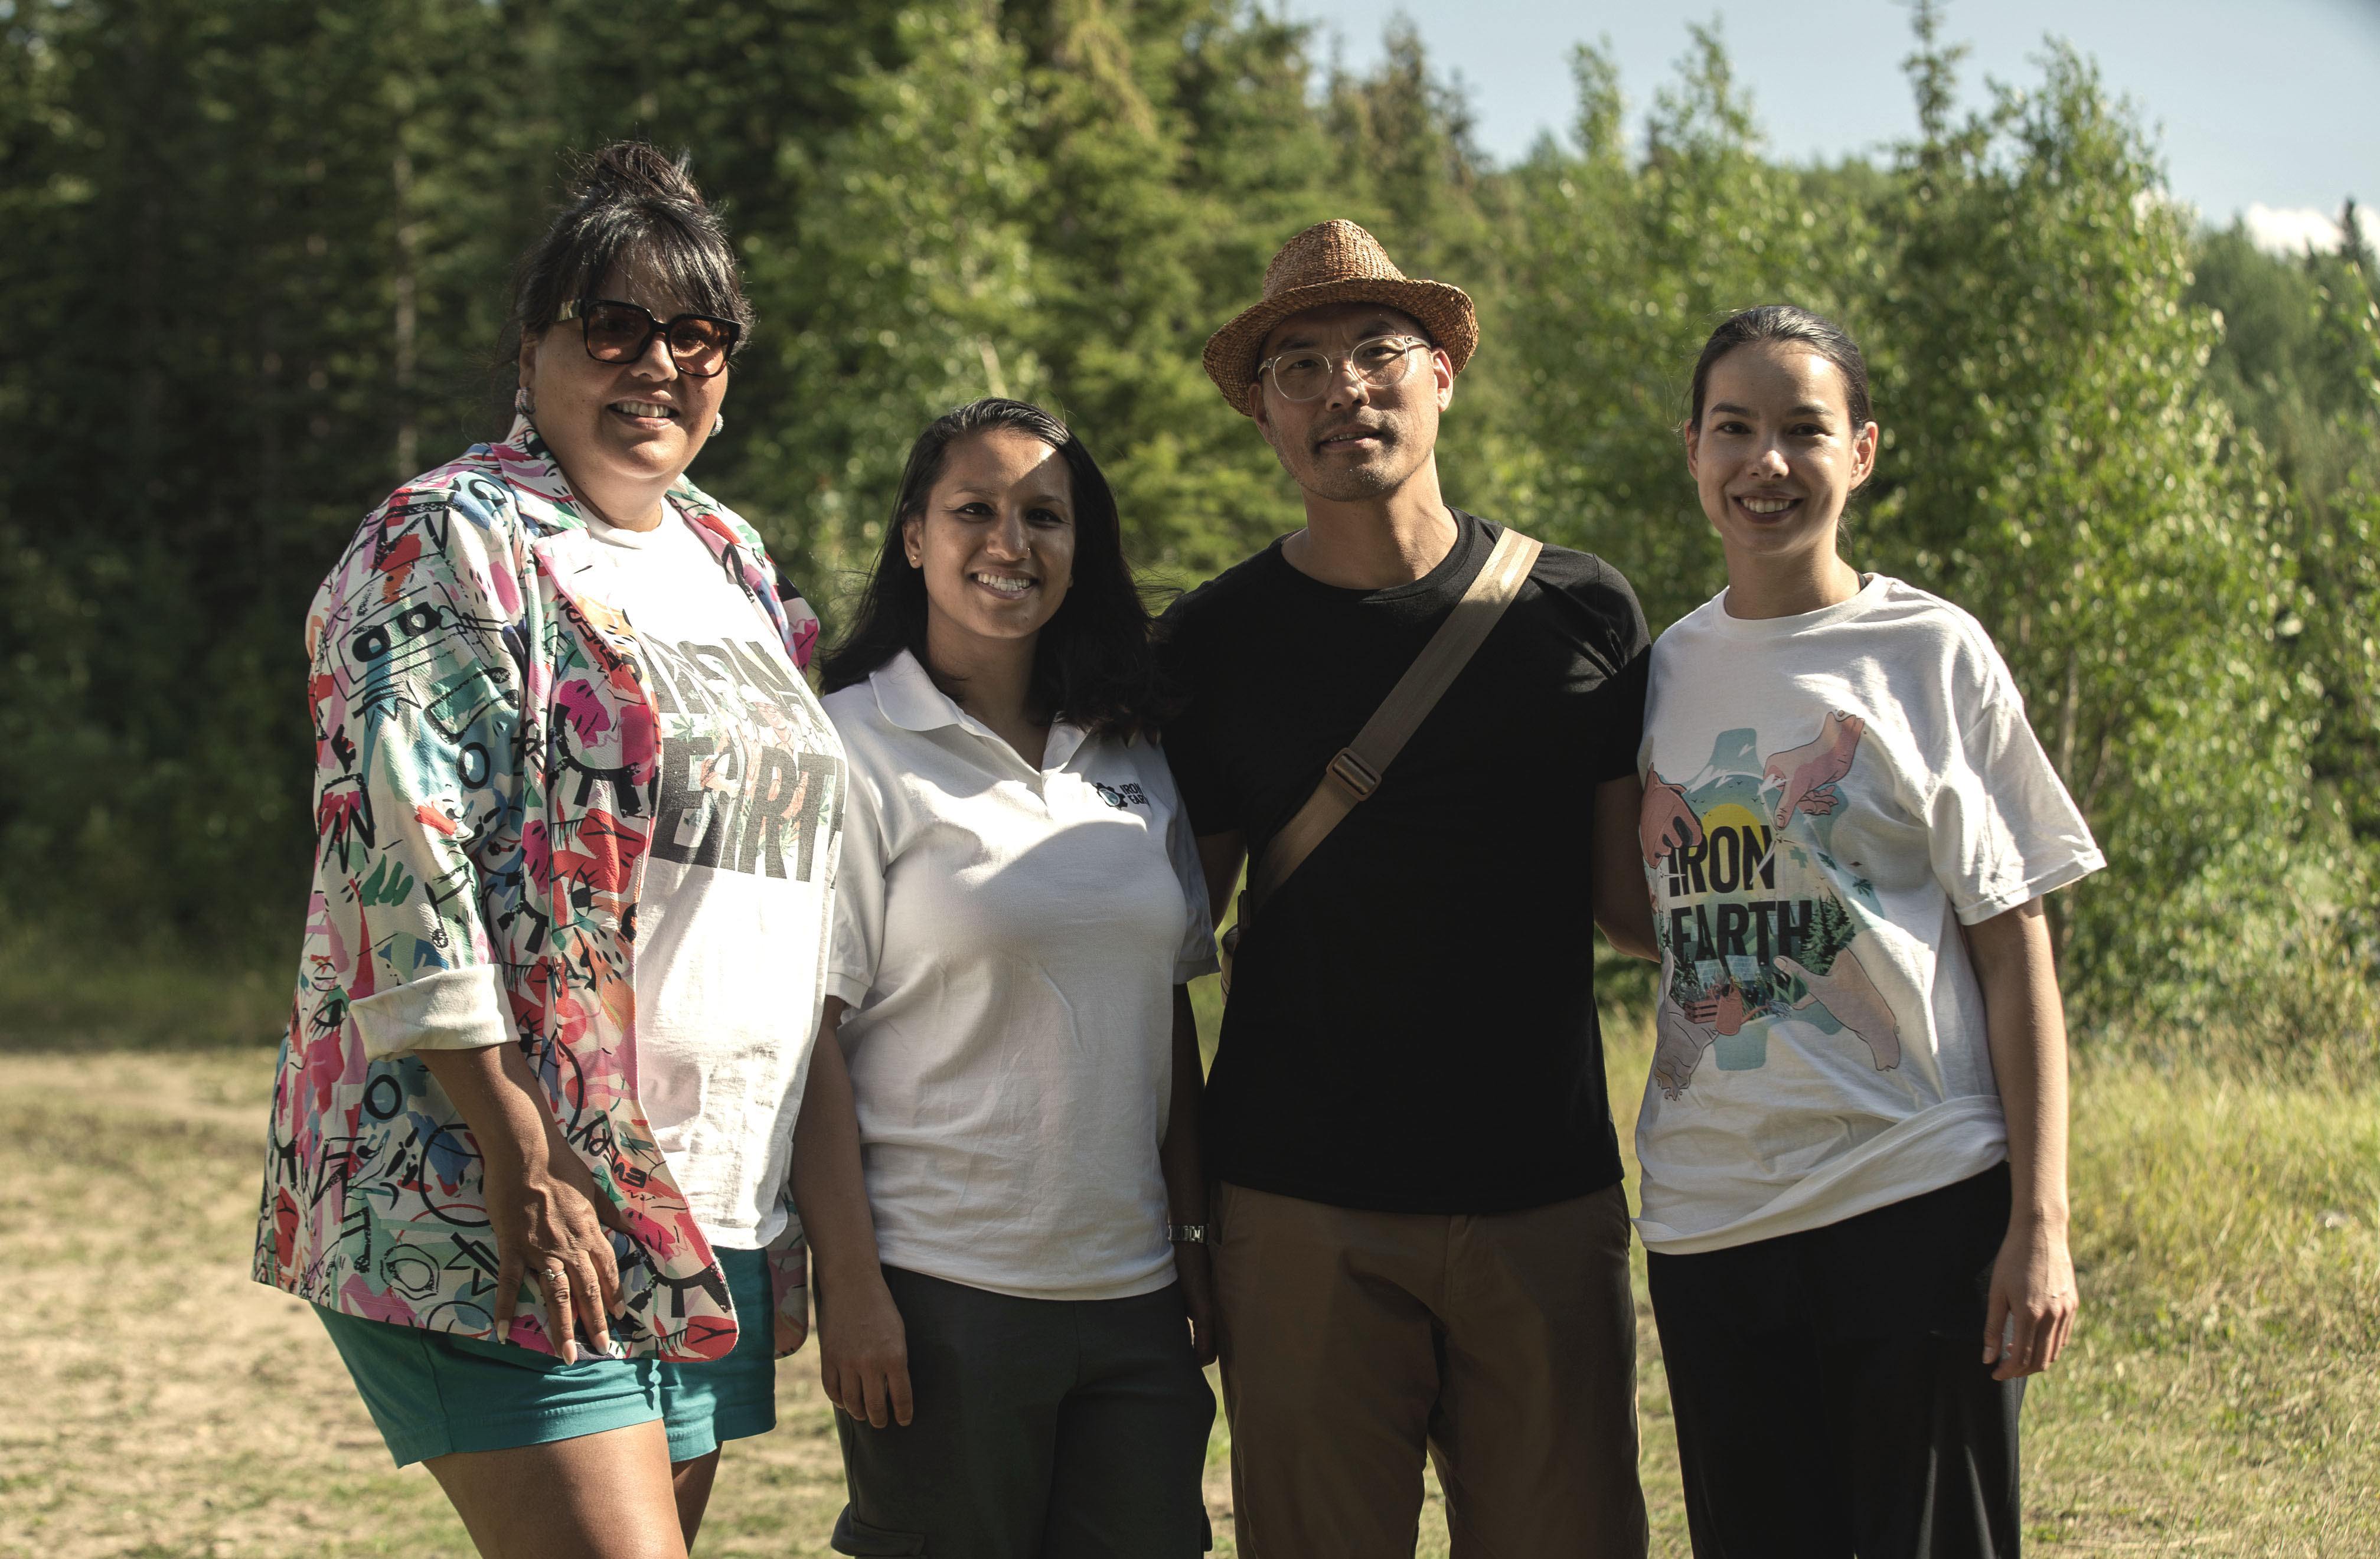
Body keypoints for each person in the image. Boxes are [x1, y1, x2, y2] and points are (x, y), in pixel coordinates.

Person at [253, 142, 844, 1559]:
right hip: (502, 1186)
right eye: (614, 325)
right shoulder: (450, 535)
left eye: (696, 332)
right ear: (534, 348)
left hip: (702, 1195)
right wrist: (520, 1149)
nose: (659, 362)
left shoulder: (731, 555)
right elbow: (404, 859)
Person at [1157, 219, 1653, 1555]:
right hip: (1298, 1211)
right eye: (1300, 367)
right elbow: (1160, 949)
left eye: (1378, 351)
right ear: (1265, 410)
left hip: (1544, 1199)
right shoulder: (1210, 644)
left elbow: (1637, 910)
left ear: (1442, 374)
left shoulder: (1581, 610)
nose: (1344, 391)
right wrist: (1185, 1214)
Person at [1635, 304, 2103, 1557]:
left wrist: (2041, 1223)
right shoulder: (1659, 673)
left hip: (1917, 1194)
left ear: (1863, 450)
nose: (1767, 462)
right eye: (1734, 428)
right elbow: (1647, 918)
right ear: (1693, 449)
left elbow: (2014, 943)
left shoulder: (1929, 653)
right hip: (1711, 1213)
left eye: (1805, 429)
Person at [793, 399, 1220, 1558]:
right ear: (914, 537)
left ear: (1082, 547)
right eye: (974, 510)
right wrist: (853, 1285)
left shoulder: (1132, 749)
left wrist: (1193, 1236)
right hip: (942, 1292)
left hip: (1134, 1296)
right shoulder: (847, 743)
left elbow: (1166, 1009)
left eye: (1044, 515)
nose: (1010, 542)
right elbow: (808, 1035)